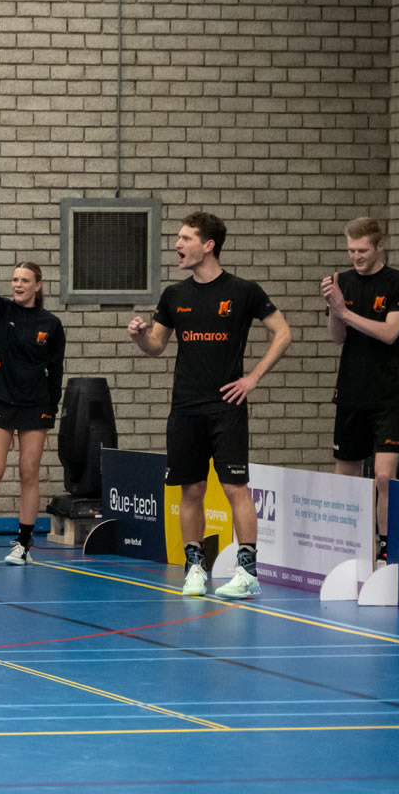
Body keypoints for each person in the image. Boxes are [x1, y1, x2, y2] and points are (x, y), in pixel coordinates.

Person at [128, 212, 291, 599]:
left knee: (236, 488)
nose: (177, 245)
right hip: (185, 409)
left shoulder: (244, 291)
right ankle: (195, 569)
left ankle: (247, 573)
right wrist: (139, 337)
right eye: (178, 238)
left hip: (226, 409)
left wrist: (253, 377)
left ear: (208, 245)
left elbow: (283, 333)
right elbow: (156, 345)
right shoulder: (174, 295)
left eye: (186, 238)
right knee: (191, 490)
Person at [320, 217, 399, 560]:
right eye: (350, 251)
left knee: (384, 476)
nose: (355, 257)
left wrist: (344, 311)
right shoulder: (342, 282)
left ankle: (387, 547)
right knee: (347, 475)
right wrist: (334, 310)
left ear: (379, 246)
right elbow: (337, 337)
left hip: (387, 394)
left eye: (361, 250)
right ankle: (349, 544)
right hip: (351, 391)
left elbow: (390, 333)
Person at [0, 257, 65, 566]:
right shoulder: (1, 311)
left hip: (36, 405)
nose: (18, 285)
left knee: (28, 473)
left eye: (24, 280)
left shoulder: (51, 324)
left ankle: (23, 544)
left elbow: (56, 370)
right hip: (1, 400)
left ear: (37, 286)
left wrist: (52, 408)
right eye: (15, 280)